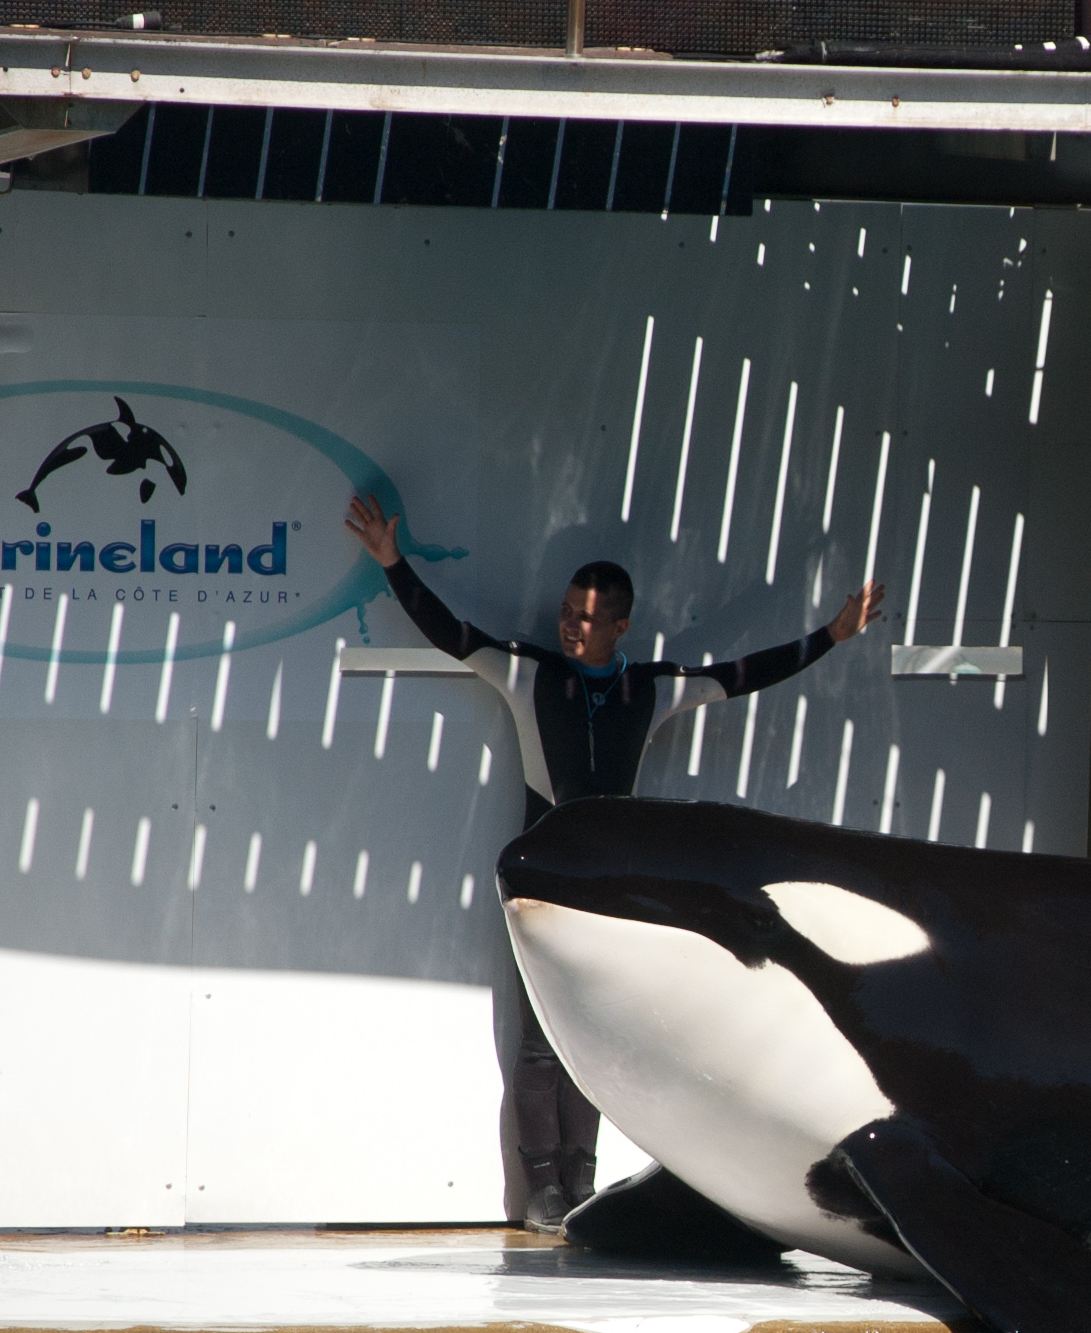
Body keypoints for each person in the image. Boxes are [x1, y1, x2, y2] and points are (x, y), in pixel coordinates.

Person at [344, 493, 886, 1228]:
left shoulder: (650, 689)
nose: (571, 624)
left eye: (588, 617)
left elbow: (742, 674)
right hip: (542, 882)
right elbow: (453, 634)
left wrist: (831, 636)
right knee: (541, 1043)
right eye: (568, 611)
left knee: (592, 1039)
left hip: (613, 888)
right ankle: (543, 1187)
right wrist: (392, 563)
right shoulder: (528, 673)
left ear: (619, 627)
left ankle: (583, 1178)